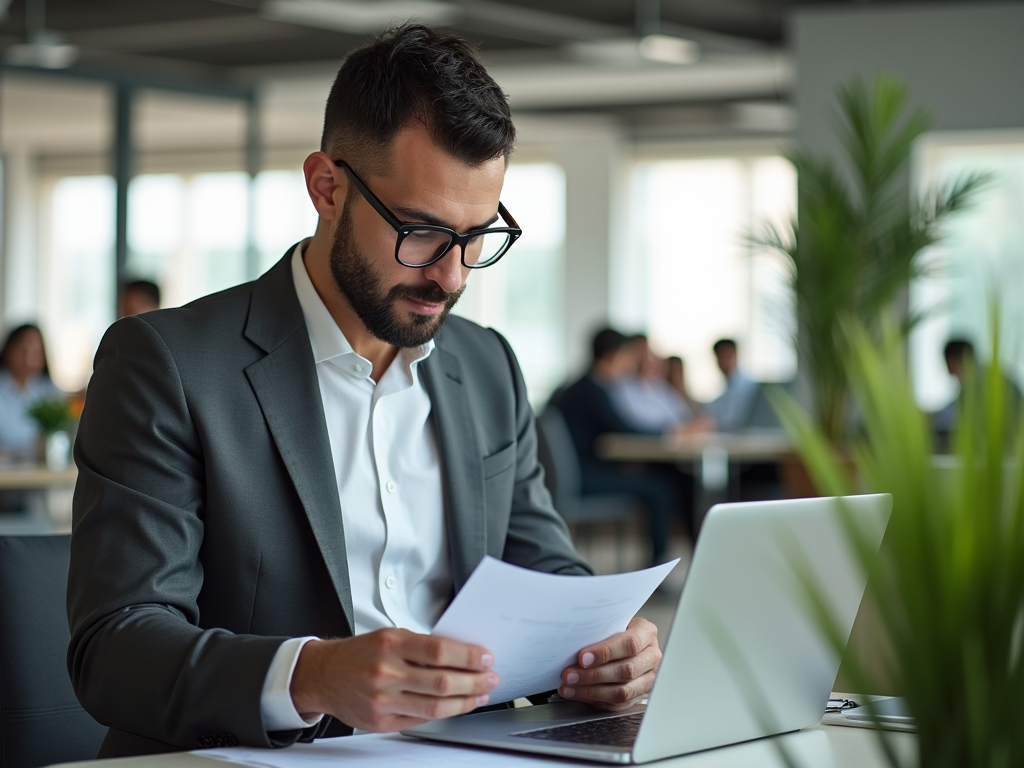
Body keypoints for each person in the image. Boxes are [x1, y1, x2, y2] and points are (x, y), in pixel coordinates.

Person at [68, 26, 661, 758]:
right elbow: (115, 649)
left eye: (478, 236)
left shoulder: (486, 366)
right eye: (422, 232)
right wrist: (311, 674)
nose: (453, 276)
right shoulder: (168, 365)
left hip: (470, 750)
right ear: (326, 187)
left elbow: (544, 570)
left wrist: (603, 647)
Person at [551, 328, 693, 564]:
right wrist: (673, 431)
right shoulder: (592, 391)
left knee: (665, 478)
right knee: (661, 487)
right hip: (582, 477)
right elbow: (625, 430)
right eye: (629, 357)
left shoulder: (579, 387)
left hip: (579, 471)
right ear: (613, 356)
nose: (631, 365)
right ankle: (660, 562)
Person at [0, 323, 62, 456]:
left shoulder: (48, 390)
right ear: (8, 350)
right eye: (24, 349)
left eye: (36, 351)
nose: (29, 358)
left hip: (37, 472)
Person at [610, 335, 693, 432]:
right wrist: (677, 430)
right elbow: (641, 423)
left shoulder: (659, 386)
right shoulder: (620, 387)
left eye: (647, 352)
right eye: (639, 352)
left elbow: (683, 416)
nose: (645, 358)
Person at [705, 338, 759, 432]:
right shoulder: (728, 386)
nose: (724, 360)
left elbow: (729, 421)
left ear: (735, 355)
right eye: (720, 356)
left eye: (727, 355)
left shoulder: (747, 385)